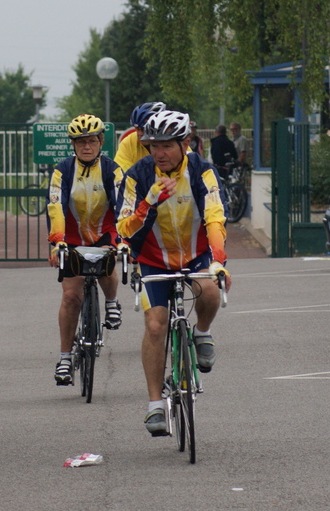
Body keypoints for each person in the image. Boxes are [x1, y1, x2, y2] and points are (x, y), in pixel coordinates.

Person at [116, 110, 233, 436]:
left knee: (210, 289)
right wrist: (148, 203)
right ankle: (155, 404)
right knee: (155, 325)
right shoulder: (138, 175)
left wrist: (218, 261)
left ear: (185, 143)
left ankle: (202, 332)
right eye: (153, 145)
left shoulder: (202, 171)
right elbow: (123, 228)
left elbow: (215, 217)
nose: (159, 153)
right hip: (153, 260)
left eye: (167, 145)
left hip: (195, 256)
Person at [47, 114, 125, 386]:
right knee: (71, 296)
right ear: (73, 144)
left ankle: (112, 302)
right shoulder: (62, 171)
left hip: (104, 233)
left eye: (91, 141)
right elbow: (55, 206)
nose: (86, 146)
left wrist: (122, 240)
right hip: (71, 237)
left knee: (107, 257)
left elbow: (122, 206)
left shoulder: (112, 170)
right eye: (80, 142)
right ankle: (65, 358)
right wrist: (57, 241)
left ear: (101, 141)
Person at [114, 101, 166, 172]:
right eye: (137, 129)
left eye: (144, 129)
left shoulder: (174, 142)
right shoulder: (128, 142)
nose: (139, 133)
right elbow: (121, 173)